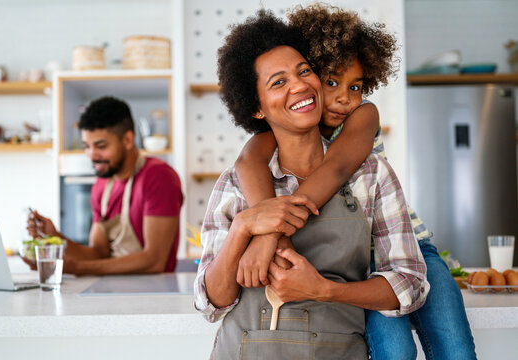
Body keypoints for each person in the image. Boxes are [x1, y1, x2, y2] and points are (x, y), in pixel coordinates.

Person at [234, 4, 476, 359]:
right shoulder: (287, 129)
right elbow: (248, 159)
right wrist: (260, 227)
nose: (345, 96)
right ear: (313, 77)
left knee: (456, 349)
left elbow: (337, 167)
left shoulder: (363, 115)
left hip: (411, 249)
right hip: (359, 264)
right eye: (331, 82)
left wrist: (270, 236)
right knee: (394, 352)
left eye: (356, 86)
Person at [194, 10, 428, 359]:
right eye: (278, 82)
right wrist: (244, 227)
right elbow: (211, 303)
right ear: (257, 108)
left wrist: (326, 290)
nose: (300, 85)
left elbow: (410, 285)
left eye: (305, 72)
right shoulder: (235, 182)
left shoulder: (370, 174)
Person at [25, 96, 183, 275]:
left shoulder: (158, 177)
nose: (91, 155)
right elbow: (99, 254)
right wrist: (55, 237)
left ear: (128, 140)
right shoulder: (102, 184)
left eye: (100, 146)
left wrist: (75, 268)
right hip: (109, 289)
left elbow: (154, 261)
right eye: (87, 146)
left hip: (152, 293)